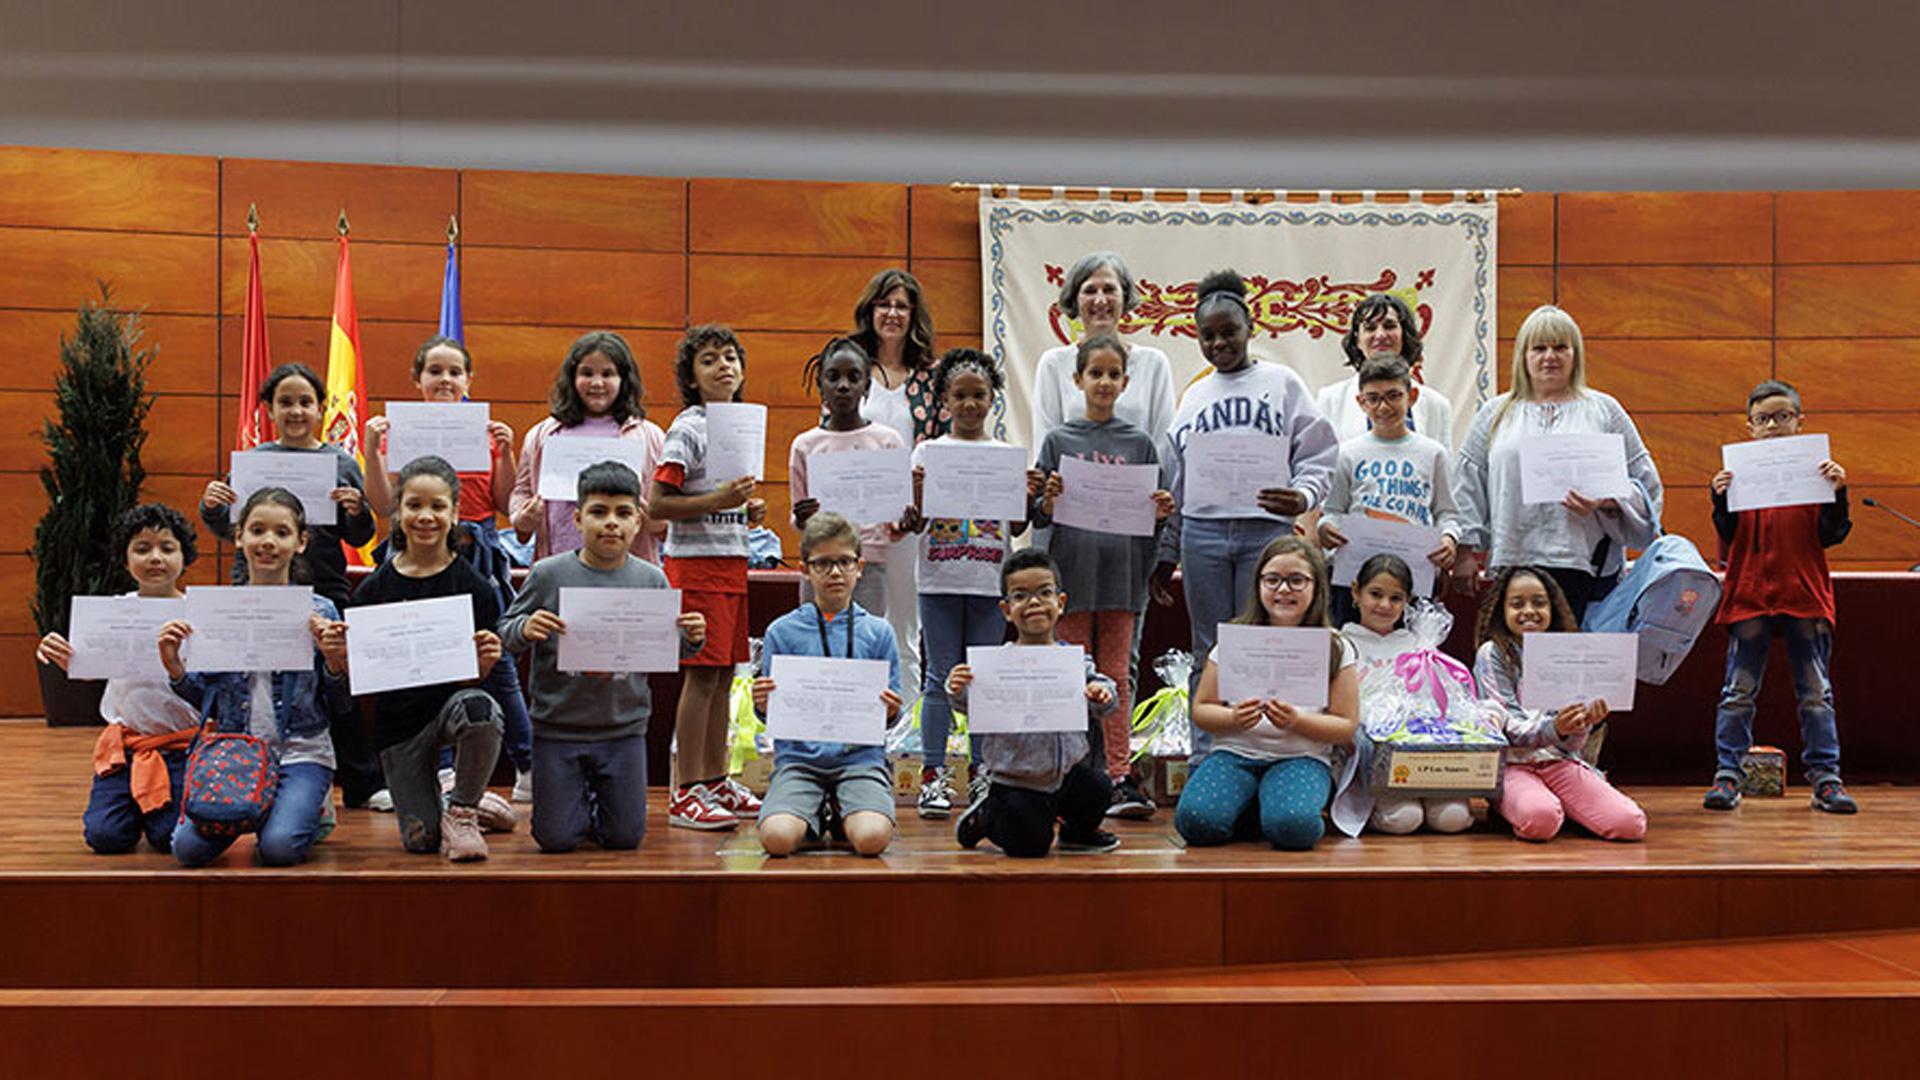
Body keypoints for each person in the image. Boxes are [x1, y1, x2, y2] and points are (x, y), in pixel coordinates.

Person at [1150, 269, 1340, 743]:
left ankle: (1264, 747)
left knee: (1261, 643)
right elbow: (1177, 481)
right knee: (1209, 648)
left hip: (1265, 533)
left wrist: (1303, 495)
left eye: (1229, 331)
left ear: (1250, 327)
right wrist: (1167, 551)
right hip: (1203, 535)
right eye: (1207, 335)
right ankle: (1207, 754)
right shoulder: (1195, 396)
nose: (1219, 343)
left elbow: (1319, 452)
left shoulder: (1283, 383)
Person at [198, 361, 382, 806]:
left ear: (320, 408)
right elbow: (230, 529)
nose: (296, 411)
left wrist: (357, 511)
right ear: (269, 409)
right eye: (285, 402)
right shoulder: (253, 461)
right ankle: (250, 771)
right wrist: (211, 506)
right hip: (256, 590)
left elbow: (360, 536)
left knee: (334, 685)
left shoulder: (341, 462)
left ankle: (361, 784)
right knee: (255, 684)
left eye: (305, 402)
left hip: (325, 587)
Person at [499, 462, 708, 853]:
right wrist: (525, 627)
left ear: (638, 522)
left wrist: (692, 638)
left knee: (625, 838)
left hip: (623, 729)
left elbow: (669, 650)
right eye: (599, 512)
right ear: (578, 519)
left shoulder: (652, 579)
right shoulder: (547, 574)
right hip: (557, 728)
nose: (611, 522)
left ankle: (595, 805)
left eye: (623, 513)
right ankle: (575, 805)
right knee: (556, 839)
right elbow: (504, 633)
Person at [366, 335, 535, 803]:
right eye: (435, 371)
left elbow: (504, 504)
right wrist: (373, 448)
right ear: (416, 379)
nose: (445, 380)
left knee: (496, 661)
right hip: (414, 554)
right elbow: (382, 505)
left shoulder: (487, 434)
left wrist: (506, 452)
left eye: (454, 372)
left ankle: (527, 766)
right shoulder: (396, 432)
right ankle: (435, 770)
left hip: (476, 553)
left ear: (468, 379)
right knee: (421, 657)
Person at [1028, 332, 1175, 819]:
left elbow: (1153, 520)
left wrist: (1160, 514)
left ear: (1126, 382)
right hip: (1070, 577)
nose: (1105, 382)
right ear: (1077, 380)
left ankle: (1118, 775)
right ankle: (1067, 772)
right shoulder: (1059, 440)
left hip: (1121, 579)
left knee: (1115, 677)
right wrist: (1048, 501)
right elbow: (1038, 515)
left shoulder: (1140, 444)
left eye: (1114, 374)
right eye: (1096, 373)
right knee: (1071, 676)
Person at [160, 487, 348, 867]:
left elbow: (341, 706)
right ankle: (277, 808)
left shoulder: (321, 611)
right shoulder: (218, 610)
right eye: (257, 530)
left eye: (282, 532)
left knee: (279, 848)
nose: (268, 542)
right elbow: (206, 700)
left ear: (301, 542)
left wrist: (334, 660)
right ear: (239, 536)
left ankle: (303, 807)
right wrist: (174, 666)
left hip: (302, 750)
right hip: (237, 750)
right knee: (186, 849)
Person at [344, 457, 515, 861]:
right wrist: (341, 657)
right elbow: (361, 678)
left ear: (454, 513)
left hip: (452, 708)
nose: (425, 516)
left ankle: (464, 809)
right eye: (414, 505)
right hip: (400, 727)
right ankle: (462, 802)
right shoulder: (371, 591)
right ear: (397, 511)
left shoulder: (476, 587)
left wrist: (483, 664)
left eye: (438, 506)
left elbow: (473, 681)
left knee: (481, 709)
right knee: (421, 841)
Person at [1452, 305, 1663, 621]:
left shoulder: (1605, 411)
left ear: (1575, 354)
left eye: (1560, 347)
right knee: (1517, 650)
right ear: (1523, 356)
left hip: (1585, 565)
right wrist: (1464, 552)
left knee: (1575, 651)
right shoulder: (1494, 414)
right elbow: (1467, 486)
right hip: (1515, 562)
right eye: (1539, 348)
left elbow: (1646, 486)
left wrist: (1607, 499)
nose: (1550, 356)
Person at [1705, 380, 1857, 814]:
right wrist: (1719, 499)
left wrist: (1838, 493)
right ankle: (1728, 776)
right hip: (1750, 594)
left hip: (1802, 593)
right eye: (1763, 419)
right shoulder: (1738, 475)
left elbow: (1832, 535)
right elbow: (1729, 536)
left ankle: (1826, 780)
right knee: (1737, 692)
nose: (1772, 425)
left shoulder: (1818, 472)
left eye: (1782, 416)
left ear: (1799, 421)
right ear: (1750, 427)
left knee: (1816, 693)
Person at [1171, 537, 1361, 852]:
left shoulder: (1336, 646)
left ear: (1316, 587)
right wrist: (1233, 717)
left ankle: (1266, 811)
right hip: (1235, 753)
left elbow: (1345, 725)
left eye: (1296, 580)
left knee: (1294, 829)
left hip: (1302, 757)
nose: (1283, 589)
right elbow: (1202, 710)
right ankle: (1256, 808)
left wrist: (1297, 721)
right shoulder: (1235, 639)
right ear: (1258, 584)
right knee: (1194, 822)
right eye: (1272, 580)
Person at [649, 325, 767, 830]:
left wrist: (746, 510)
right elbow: (658, 504)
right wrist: (719, 500)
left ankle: (716, 780)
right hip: (695, 567)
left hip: (732, 562)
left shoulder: (741, 426)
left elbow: (723, 501)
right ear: (692, 377)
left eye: (731, 358)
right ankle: (687, 791)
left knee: (723, 676)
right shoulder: (688, 427)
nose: (724, 366)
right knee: (700, 676)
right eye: (710, 360)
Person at [37, 504, 202, 854]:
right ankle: (134, 803)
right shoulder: (110, 613)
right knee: (105, 837)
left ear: (184, 556)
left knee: (167, 839)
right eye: (142, 549)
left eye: (167, 548)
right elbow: (87, 669)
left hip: (182, 747)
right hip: (125, 747)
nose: (155, 558)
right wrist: (63, 657)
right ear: (125, 560)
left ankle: (156, 810)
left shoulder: (199, 615)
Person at [909, 349, 1026, 819]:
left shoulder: (1005, 456)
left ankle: (982, 772)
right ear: (945, 400)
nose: (970, 404)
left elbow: (1018, 525)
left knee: (982, 680)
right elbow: (916, 523)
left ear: (993, 398)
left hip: (989, 582)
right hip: (938, 579)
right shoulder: (927, 452)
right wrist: (917, 491)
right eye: (960, 396)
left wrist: (1027, 492)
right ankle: (933, 774)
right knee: (939, 678)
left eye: (979, 395)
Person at [948, 547, 1120, 858]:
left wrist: (1101, 692)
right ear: (1006, 609)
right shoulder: (994, 664)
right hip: (1015, 782)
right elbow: (969, 706)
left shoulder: (1075, 662)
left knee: (1099, 788)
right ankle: (988, 815)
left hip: (1066, 775)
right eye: (1020, 596)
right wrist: (958, 689)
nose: (1034, 602)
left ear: (1061, 602)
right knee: (1030, 846)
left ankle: (1076, 834)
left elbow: (1105, 702)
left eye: (1044, 592)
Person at [750, 512, 904, 857]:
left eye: (844, 562)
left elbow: (892, 716)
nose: (835, 572)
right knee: (776, 840)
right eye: (822, 563)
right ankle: (817, 813)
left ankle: (840, 813)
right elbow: (769, 715)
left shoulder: (879, 632)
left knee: (871, 840)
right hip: (799, 762)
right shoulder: (781, 632)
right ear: (805, 569)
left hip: (860, 761)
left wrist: (891, 711)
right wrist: (762, 705)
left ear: (859, 567)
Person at [1473, 565, 1646, 842]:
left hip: (1559, 761)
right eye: (1517, 604)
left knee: (1630, 824)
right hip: (1511, 764)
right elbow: (1507, 728)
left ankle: (1559, 801)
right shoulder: (1492, 654)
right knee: (1540, 820)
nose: (1529, 611)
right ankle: (1518, 802)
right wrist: (1555, 727)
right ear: (1501, 610)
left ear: (1552, 608)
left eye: (1539, 603)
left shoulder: (1566, 652)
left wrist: (1582, 724)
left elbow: (1570, 747)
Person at [852, 268, 941, 716]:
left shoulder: (930, 378)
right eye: (884, 304)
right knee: (857, 622)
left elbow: (939, 449)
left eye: (901, 306)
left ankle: (906, 727)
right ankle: (858, 718)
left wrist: (916, 509)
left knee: (906, 625)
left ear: (914, 315)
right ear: (870, 311)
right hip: (855, 517)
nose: (892, 313)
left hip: (909, 519)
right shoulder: (849, 369)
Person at [1316, 354, 1461, 625]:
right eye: (1373, 398)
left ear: (1412, 397)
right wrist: (1326, 528)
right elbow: (1332, 510)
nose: (1383, 406)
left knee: (1412, 648)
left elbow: (1447, 513)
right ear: (1361, 402)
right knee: (1353, 644)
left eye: (1394, 396)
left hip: (1413, 579)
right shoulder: (1347, 453)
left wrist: (1449, 538)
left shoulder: (1433, 453)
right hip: (1357, 579)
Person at [789, 336, 921, 618]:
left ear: (867, 386)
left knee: (865, 639)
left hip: (868, 565)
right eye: (833, 377)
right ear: (820, 385)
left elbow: (894, 523)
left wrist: (905, 524)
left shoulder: (888, 441)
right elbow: (799, 517)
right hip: (820, 564)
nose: (843, 385)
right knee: (817, 638)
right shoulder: (804, 445)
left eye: (853, 377)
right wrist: (802, 518)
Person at [1341, 554, 1473, 835]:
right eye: (1375, 594)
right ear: (1355, 591)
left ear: (1408, 602)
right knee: (1404, 818)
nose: (1384, 605)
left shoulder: (1419, 647)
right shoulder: (1341, 644)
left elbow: (1439, 701)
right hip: (1367, 757)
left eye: (1396, 598)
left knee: (1453, 817)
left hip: (1420, 753)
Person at [509, 330, 667, 565]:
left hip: (629, 568)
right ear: (572, 377)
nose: (597, 383)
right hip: (559, 565)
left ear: (624, 379)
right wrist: (522, 518)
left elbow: (667, 504)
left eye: (608, 374)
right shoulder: (544, 434)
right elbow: (522, 491)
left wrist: (660, 523)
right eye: (587, 373)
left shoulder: (650, 436)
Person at [1029, 251, 1177, 445]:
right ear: (1075, 299)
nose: (1100, 300)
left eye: (1109, 290)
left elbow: (1164, 446)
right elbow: (1045, 443)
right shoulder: (1053, 364)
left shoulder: (1154, 363)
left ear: (1125, 297)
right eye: (1090, 291)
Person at [1314, 292, 1455, 444]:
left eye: (1389, 326)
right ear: (1357, 339)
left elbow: (1442, 459)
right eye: (1370, 328)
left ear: (1404, 335)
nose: (1380, 335)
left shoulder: (1437, 406)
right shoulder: (1331, 400)